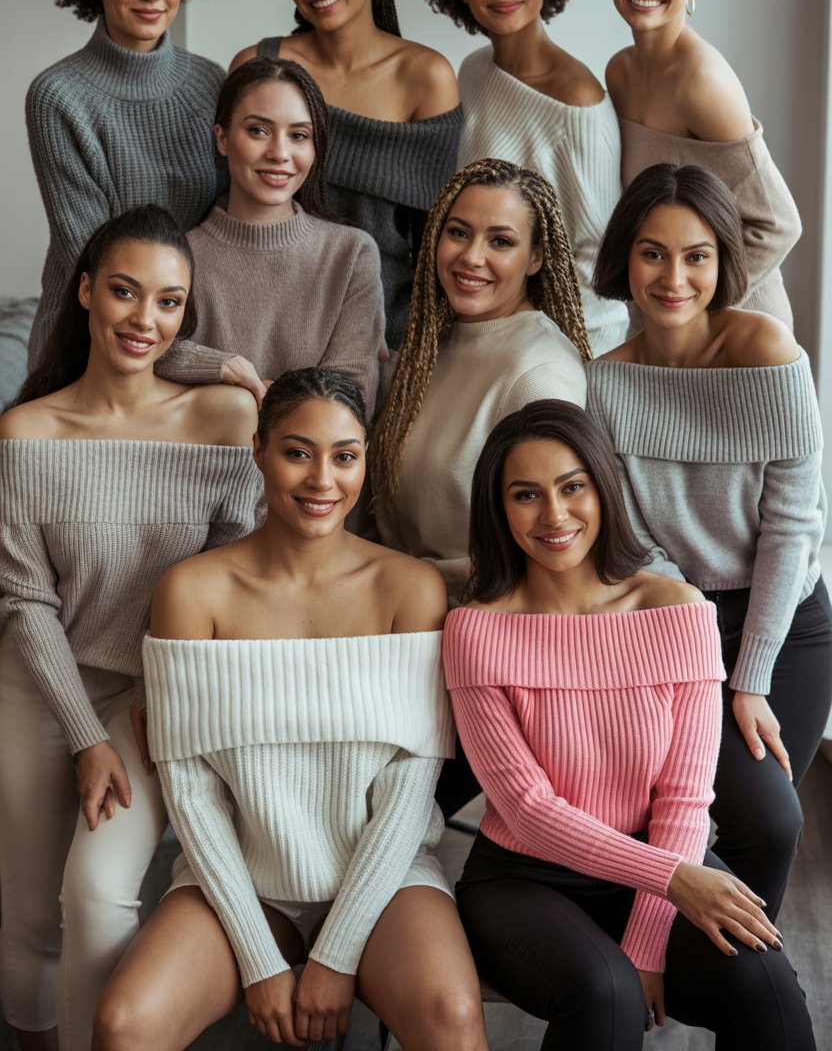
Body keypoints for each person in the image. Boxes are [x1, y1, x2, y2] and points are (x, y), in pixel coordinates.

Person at [91, 367, 488, 1051]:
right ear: (259, 451)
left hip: (385, 878)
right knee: (124, 1025)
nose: (322, 481)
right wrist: (258, 958)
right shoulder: (192, 591)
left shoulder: (410, 587)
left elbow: (407, 791)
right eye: (297, 452)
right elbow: (191, 789)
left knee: (452, 1016)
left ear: (366, 456)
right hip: (241, 880)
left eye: (345, 455)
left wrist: (335, 955)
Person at [444, 398, 816, 1049]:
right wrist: (674, 884)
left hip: (656, 861)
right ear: (498, 509)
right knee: (606, 992)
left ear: (602, 489)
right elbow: (528, 811)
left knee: (765, 985)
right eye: (526, 494)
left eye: (572, 487)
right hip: (523, 878)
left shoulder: (677, 610)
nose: (554, 516)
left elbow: (684, 797)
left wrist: (648, 941)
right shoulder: (476, 630)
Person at [0, 206, 261, 1051]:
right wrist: (84, 736)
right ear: (83, 292)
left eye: (169, 302)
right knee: (32, 912)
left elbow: (236, 579)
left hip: (157, 694)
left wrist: (158, 709)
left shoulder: (224, 420)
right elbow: (24, 601)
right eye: (123, 292)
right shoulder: (26, 432)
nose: (144, 320)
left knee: (101, 891)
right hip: (41, 686)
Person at [587, 162, 831, 923]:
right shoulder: (605, 382)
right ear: (625, 257)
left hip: (784, 621)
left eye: (697, 255)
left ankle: (741, 983)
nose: (674, 276)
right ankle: (688, 958)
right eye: (653, 252)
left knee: (770, 819)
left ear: (723, 261)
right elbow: (626, 534)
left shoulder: (768, 352)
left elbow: (793, 525)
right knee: (704, 813)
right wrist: (694, 634)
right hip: (674, 618)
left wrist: (748, 677)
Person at [24, 0, 259, 402]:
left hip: (185, 338)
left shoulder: (211, 82)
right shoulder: (58, 96)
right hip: (89, 351)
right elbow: (96, 264)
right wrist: (204, 359)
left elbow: (228, 228)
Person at [230, 0, 461, 349]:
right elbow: (227, 203)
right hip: (259, 320)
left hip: (380, 334)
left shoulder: (425, 76)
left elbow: (433, 241)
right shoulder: (258, 65)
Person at [411, 0, 629, 355]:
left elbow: (598, 263)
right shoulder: (471, 71)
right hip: (476, 324)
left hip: (556, 346)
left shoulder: (578, 103)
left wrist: (559, 360)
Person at [372, 158, 590, 606]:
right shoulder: (428, 348)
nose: (471, 256)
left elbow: (552, 540)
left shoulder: (540, 372)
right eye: (458, 232)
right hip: (409, 610)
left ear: (536, 258)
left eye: (501, 241)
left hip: (484, 620)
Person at [606, 0, 799, 327]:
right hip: (667, 318)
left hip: (734, 324)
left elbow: (778, 224)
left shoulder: (703, 83)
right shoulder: (619, 73)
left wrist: (700, 312)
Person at [157, 57, 386, 411]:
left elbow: (353, 398)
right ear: (222, 138)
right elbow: (144, 350)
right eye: (258, 130)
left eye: (298, 136)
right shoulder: (178, 257)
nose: (280, 153)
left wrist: (258, 398)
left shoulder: (351, 253)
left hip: (315, 463)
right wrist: (223, 366)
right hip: (202, 462)